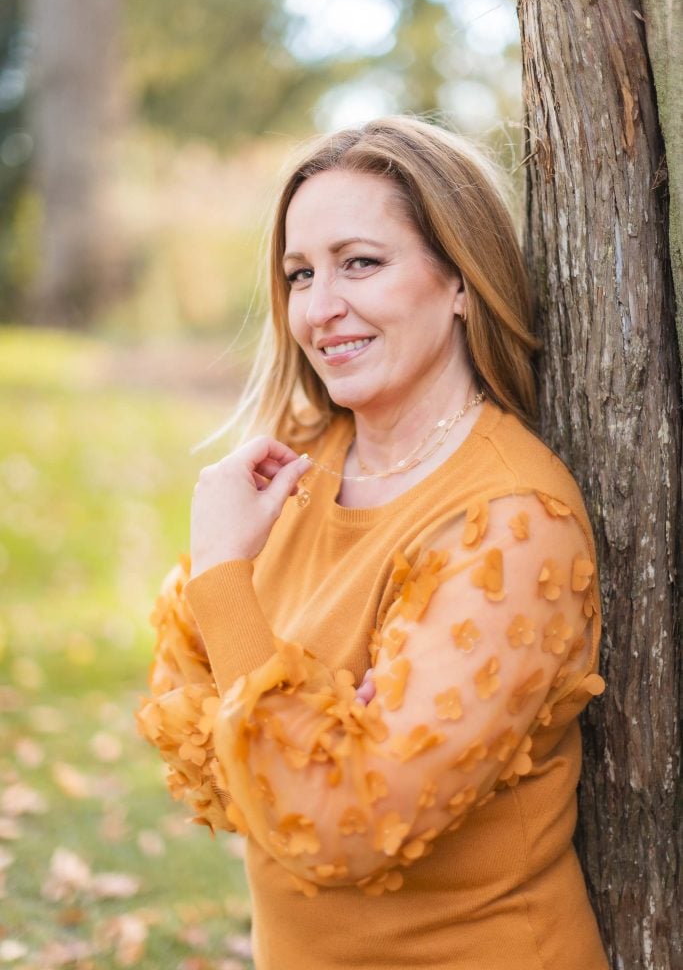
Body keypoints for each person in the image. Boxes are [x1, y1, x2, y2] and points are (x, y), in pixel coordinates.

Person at [137, 115, 609, 969]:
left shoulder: (508, 518)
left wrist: (234, 609)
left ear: (460, 279)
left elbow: (334, 820)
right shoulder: (291, 468)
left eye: (361, 262)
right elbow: (189, 720)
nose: (320, 308)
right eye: (299, 273)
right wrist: (308, 712)